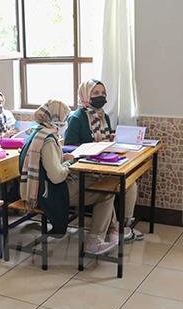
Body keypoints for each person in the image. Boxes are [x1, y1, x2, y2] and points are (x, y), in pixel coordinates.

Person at [20, 100, 118, 255]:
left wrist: (62, 159)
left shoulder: (37, 132)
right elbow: (57, 177)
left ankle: (112, 229)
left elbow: (47, 165)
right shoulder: (48, 140)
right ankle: (95, 242)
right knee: (106, 192)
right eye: (64, 117)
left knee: (96, 182)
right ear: (56, 117)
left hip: (39, 188)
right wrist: (70, 162)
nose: (65, 121)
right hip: (50, 194)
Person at [64, 79, 141, 241]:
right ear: (85, 95)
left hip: (104, 163)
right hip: (83, 170)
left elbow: (105, 138)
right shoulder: (77, 118)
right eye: (96, 93)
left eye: (103, 93)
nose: (101, 96)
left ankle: (124, 224)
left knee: (130, 183)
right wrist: (93, 148)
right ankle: (114, 229)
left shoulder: (103, 115)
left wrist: (110, 139)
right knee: (108, 190)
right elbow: (69, 148)